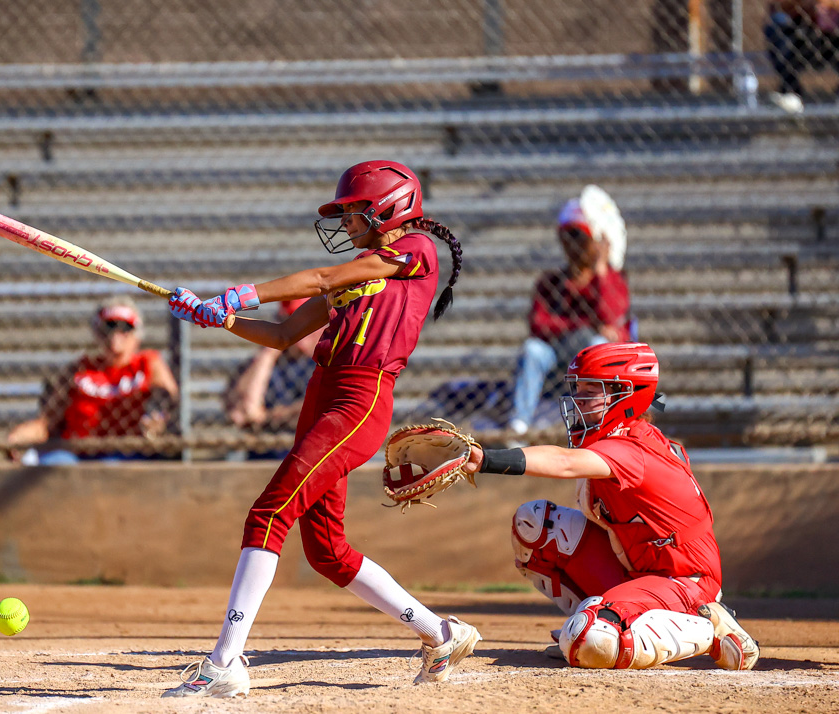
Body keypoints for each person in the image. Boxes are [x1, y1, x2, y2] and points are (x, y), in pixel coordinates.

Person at [163, 160, 480, 698]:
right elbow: (284, 334)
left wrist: (241, 294)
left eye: (354, 212)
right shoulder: (360, 271)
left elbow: (323, 278)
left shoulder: (417, 250)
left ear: (389, 209)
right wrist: (218, 317)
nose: (346, 223)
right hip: (322, 392)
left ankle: (225, 662)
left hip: (360, 397)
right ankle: (441, 634)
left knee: (269, 512)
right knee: (327, 550)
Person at [462, 341, 760, 671]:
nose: (578, 402)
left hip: (684, 580)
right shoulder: (618, 438)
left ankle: (710, 626)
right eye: (578, 391)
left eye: (591, 393)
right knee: (534, 525)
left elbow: (563, 462)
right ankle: (596, 618)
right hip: (639, 569)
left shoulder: (632, 447)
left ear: (625, 396)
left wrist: (484, 459)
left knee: (591, 642)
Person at [507, 185, 632, 440]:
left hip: (588, 353)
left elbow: (611, 319)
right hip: (557, 353)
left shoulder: (611, 281)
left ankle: (597, 423)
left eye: (580, 236)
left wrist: (600, 269)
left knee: (599, 343)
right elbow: (539, 324)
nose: (574, 245)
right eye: (568, 236)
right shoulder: (551, 282)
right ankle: (518, 426)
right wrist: (583, 325)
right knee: (533, 350)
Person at [6, 296, 178, 464]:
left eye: (125, 328)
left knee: (110, 467)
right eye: (108, 327)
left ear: (137, 334)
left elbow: (169, 399)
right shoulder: (80, 369)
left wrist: (158, 421)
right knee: (54, 465)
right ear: (97, 333)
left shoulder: (147, 364)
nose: (115, 336)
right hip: (75, 450)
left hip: (124, 451)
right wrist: (17, 437)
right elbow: (45, 423)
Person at [224, 299, 323, 450]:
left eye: (306, 323)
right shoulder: (263, 363)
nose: (300, 330)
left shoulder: (327, 363)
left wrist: (269, 417)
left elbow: (321, 410)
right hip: (264, 449)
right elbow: (241, 411)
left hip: (310, 447)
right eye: (290, 321)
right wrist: (269, 352)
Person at [765, 0, 839, 113]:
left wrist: (827, 4)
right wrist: (804, 4)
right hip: (802, 36)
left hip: (832, 38)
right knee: (777, 21)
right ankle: (791, 91)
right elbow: (776, 5)